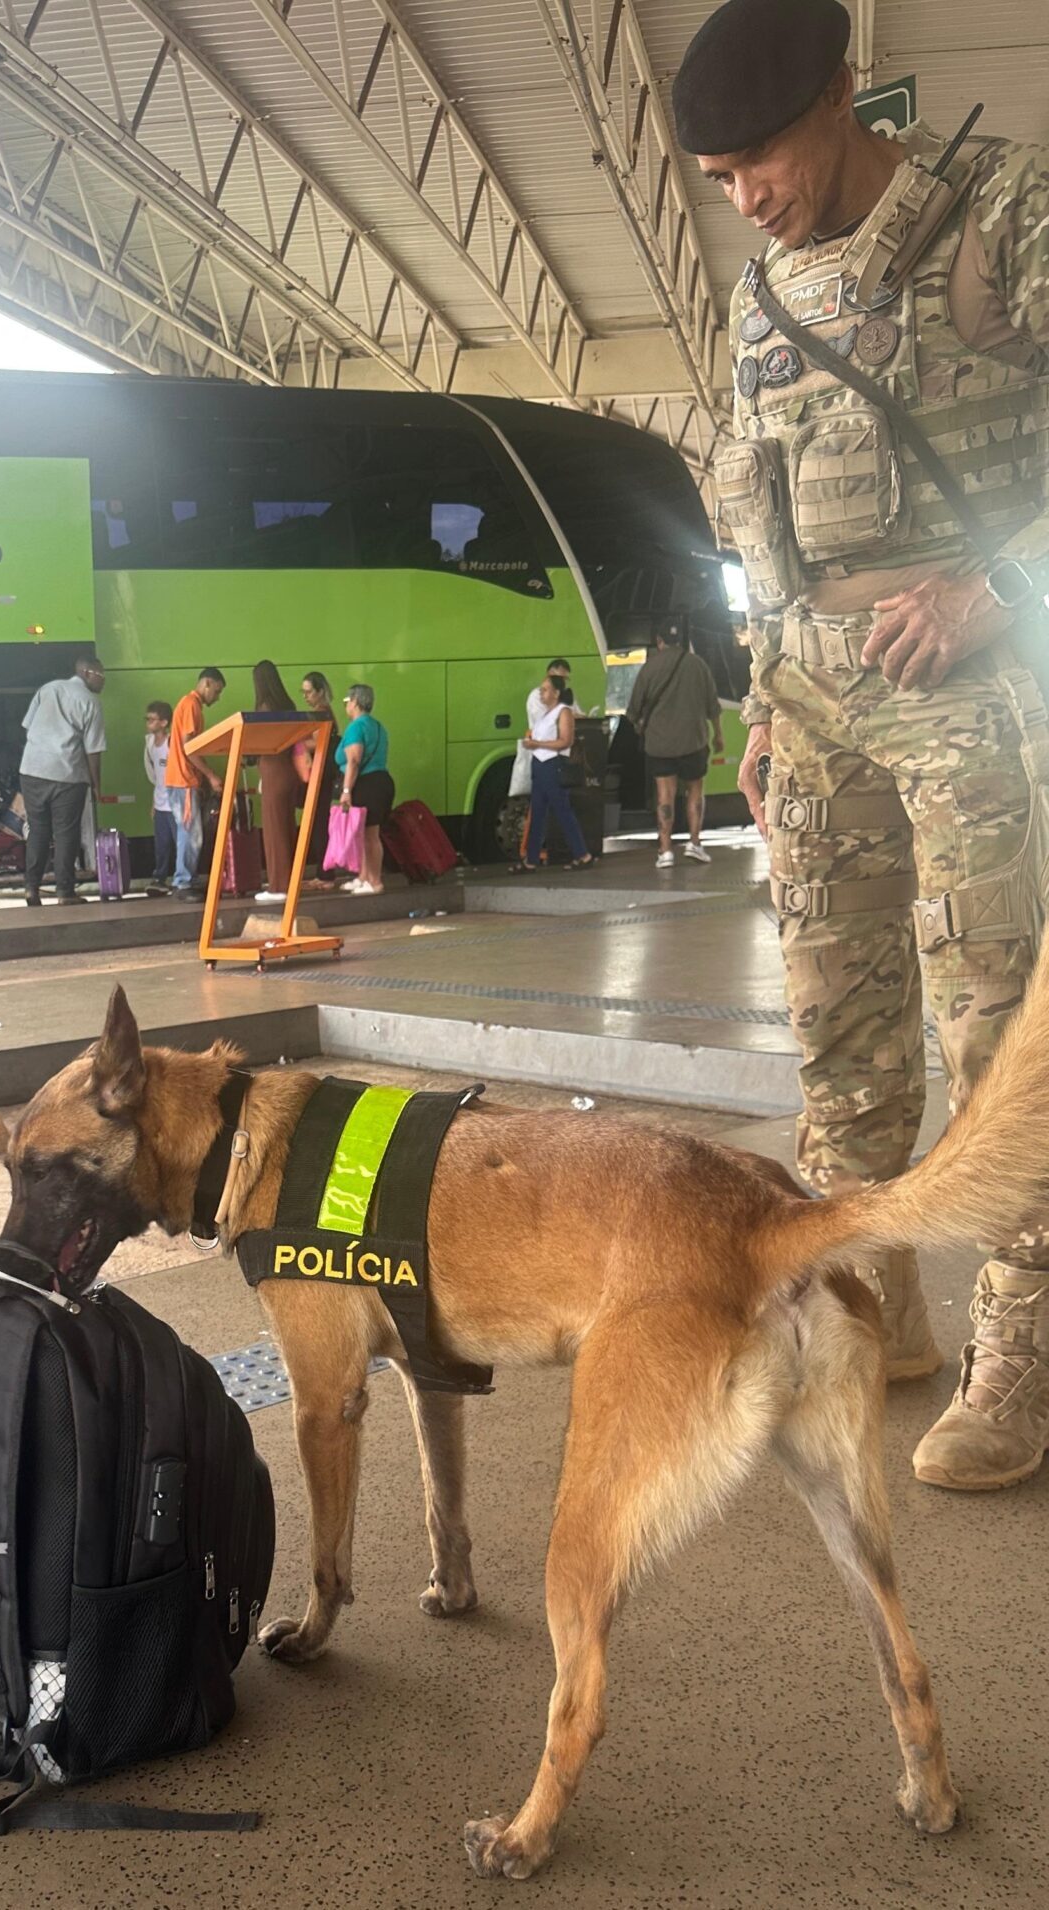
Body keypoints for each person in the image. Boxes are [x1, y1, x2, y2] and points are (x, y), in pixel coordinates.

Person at [675, 0, 1049, 1488]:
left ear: (843, 95)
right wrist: (766, 701)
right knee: (840, 1032)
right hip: (818, 689)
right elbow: (758, 526)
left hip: (967, 675)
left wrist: (994, 585)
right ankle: (866, 1307)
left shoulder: (1001, 207)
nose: (749, 194)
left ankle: (1015, 1343)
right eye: (722, 179)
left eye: (760, 155)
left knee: (993, 1028)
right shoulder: (761, 291)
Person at [624, 621, 723, 868]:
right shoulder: (698, 664)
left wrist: (640, 725)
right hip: (694, 740)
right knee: (695, 791)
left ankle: (665, 851)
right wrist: (718, 735)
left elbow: (633, 709)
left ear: (659, 642)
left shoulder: (650, 667)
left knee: (664, 795)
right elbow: (713, 706)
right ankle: (695, 843)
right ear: (679, 642)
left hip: (659, 744)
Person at [18, 652, 105, 907]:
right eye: (101, 676)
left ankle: (31, 888)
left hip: (32, 771)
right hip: (67, 776)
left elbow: (28, 726)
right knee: (66, 833)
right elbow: (93, 751)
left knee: (38, 830)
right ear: (87, 673)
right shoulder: (90, 702)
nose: (103, 682)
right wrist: (97, 785)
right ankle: (64, 892)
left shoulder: (48, 689)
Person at [510, 676, 594, 873]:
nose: (542, 693)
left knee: (562, 811)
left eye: (546, 690)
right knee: (537, 813)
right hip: (539, 766)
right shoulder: (545, 715)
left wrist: (538, 744)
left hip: (553, 765)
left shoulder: (563, 712)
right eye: (541, 689)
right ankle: (531, 859)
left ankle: (583, 854)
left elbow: (565, 741)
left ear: (556, 693)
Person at [163, 668, 225, 897]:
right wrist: (210, 775)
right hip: (183, 780)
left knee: (188, 831)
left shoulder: (189, 705)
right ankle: (183, 882)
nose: (217, 698)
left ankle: (186, 878)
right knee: (191, 833)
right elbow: (189, 748)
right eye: (216, 691)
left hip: (182, 778)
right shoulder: (191, 705)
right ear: (206, 683)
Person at [247, 660, 300, 904]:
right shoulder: (288, 704)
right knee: (287, 827)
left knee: (273, 830)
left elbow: (258, 742)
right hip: (289, 770)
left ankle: (279, 886)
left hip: (272, 770)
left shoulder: (264, 707)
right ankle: (290, 880)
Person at [337, 684, 394, 896]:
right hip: (381, 781)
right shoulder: (378, 726)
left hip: (366, 784)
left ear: (354, 702)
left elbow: (353, 760)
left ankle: (375, 881)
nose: (346, 706)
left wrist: (346, 790)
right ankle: (363, 877)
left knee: (370, 835)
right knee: (364, 833)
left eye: (346, 701)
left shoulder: (355, 727)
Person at [298, 671, 340, 881]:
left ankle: (324, 874)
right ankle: (324, 873)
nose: (305, 696)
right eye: (303, 692)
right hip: (327, 774)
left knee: (319, 824)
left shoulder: (321, 713)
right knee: (320, 823)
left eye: (309, 692)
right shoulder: (327, 712)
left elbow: (318, 743)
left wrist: (296, 743)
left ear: (320, 692)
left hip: (321, 776)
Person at [142, 700, 174, 895]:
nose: (148, 723)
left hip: (176, 802)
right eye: (147, 719)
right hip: (161, 802)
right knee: (161, 844)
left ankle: (184, 879)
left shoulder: (172, 742)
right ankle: (159, 878)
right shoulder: (150, 744)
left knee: (181, 843)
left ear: (163, 722)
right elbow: (155, 776)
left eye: (152, 719)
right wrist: (154, 802)